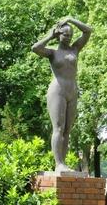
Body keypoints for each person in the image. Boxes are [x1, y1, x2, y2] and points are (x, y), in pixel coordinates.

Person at [32, 17, 92, 173]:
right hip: (57, 90)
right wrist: (50, 36)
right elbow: (35, 48)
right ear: (59, 35)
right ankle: (58, 163)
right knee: (58, 127)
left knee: (67, 130)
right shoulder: (52, 52)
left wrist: (71, 19)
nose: (69, 38)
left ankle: (63, 163)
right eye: (65, 35)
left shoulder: (75, 49)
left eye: (70, 35)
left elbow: (88, 31)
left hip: (72, 91)